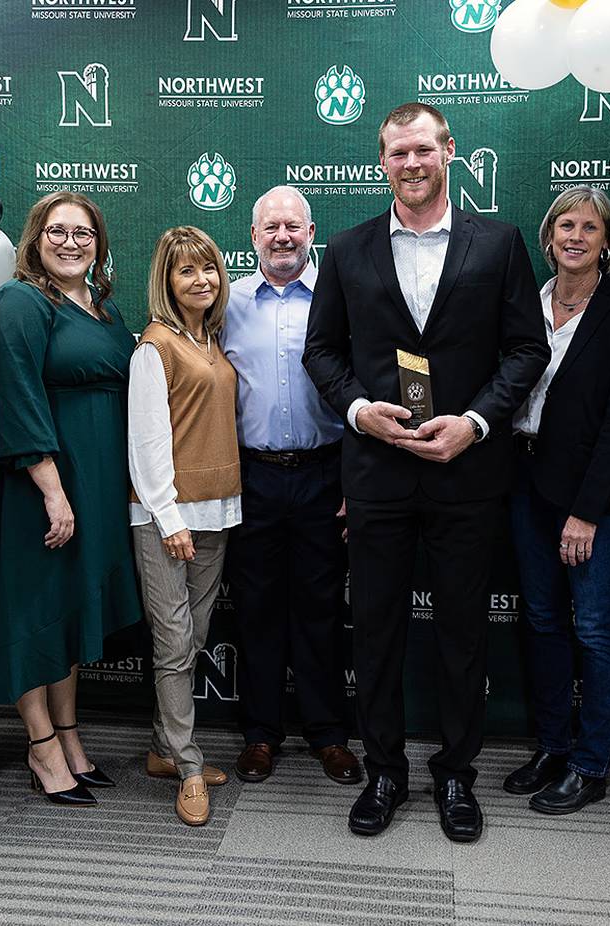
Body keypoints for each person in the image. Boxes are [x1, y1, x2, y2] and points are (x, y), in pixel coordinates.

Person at [303, 103, 549, 843]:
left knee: (462, 634)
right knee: (374, 630)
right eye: (396, 153)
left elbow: (525, 351)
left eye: (423, 149)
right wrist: (357, 413)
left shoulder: (499, 243)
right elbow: (321, 353)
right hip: (376, 474)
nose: (411, 163)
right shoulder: (346, 250)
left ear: (450, 151)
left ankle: (455, 775)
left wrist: (473, 423)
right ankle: (384, 771)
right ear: (382, 163)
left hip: (465, 475)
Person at [0, 192, 143, 806]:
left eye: (84, 233)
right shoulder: (20, 301)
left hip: (94, 483)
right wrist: (52, 491)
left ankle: (69, 735)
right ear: (35, 238)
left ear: (99, 243)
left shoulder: (102, 307)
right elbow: (16, 398)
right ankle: (41, 746)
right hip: (41, 485)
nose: (71, 243)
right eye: (57, 231)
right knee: (34, 610)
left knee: (70, 610)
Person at [499, 186, 610, 815]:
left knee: (594, 629)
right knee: (540, 622)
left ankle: (591, 764)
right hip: (524, 486)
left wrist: (586, 512)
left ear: (606, 241)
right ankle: (553, 747)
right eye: (565, 224)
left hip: (593, 499)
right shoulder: (523, 306)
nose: (575, 236)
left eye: (590, 227)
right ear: (548, 236)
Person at [221, 186, 361, 786]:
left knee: (322, 609)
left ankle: (328, 733)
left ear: (311, 233)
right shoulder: (225, 304)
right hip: (251, 477)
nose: (282, 236)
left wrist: (357, 481)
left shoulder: (341, 300)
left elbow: (365, 389)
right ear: (253, 237)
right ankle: (260, 734)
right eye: (270, 227)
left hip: (323, 475)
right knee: (254, 608)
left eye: (293, 226)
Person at [129, 226, 242, 827]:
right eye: (185, 271)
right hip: (165, 517)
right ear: (166, 282)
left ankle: (160, 749)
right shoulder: (156, 346)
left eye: (209, 269)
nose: (201, 280)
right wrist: (169, 517)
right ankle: (189, 766)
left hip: (218, 512)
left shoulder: (211, 340)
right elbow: (146, 444)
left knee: (191, 640)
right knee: (174, 644)